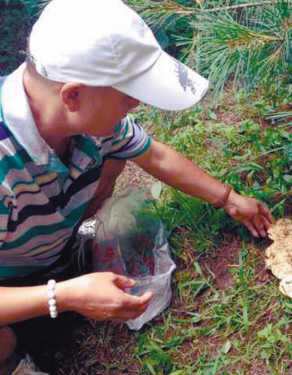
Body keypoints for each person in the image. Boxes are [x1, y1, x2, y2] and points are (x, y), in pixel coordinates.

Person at [0, 0, 273, 373]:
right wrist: (61, 296)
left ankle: (71, 253)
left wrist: (227, 198)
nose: (136, 105)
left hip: (48, 248)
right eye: (127, 96)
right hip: (9, 282)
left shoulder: (92, 121)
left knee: (113, 176)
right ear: (73, 96)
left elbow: (155, 156)